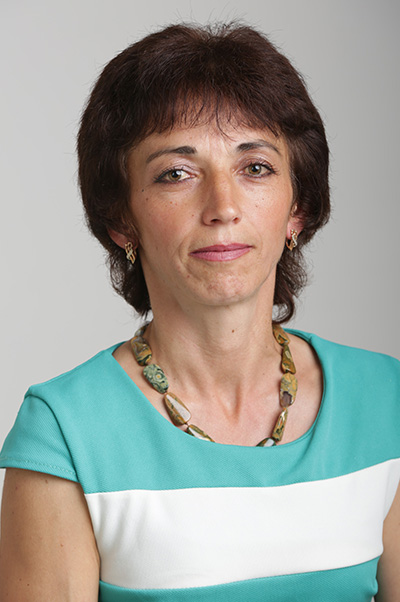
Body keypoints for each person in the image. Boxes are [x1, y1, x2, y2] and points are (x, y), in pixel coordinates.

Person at [0, 22, 399, 602]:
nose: (223, 206)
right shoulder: (65, 434)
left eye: (255, 167)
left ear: (298, 207)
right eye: (176, 174)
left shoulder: (386, 400)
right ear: (121, 220)